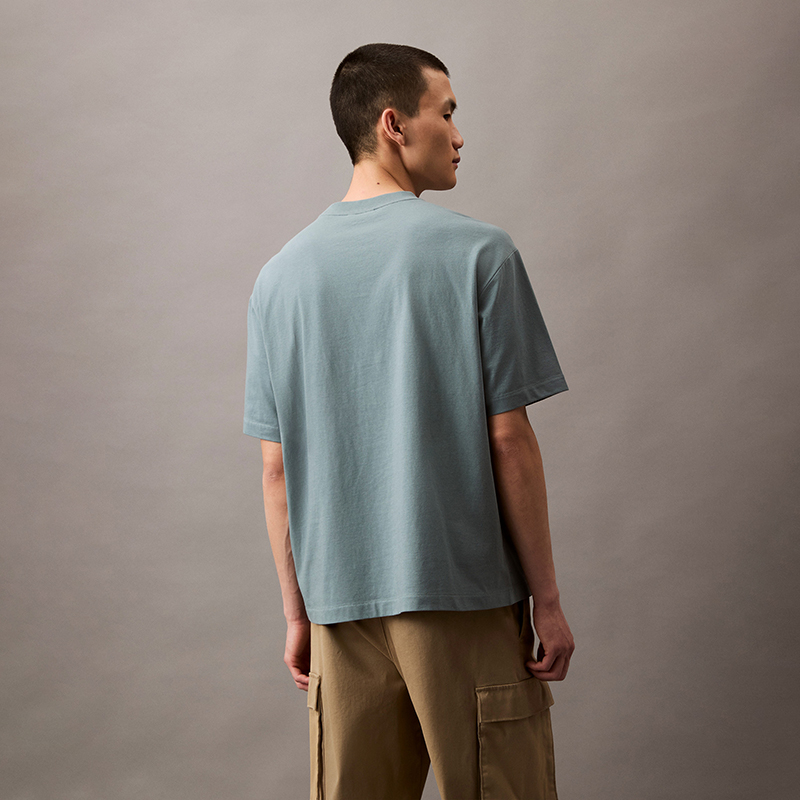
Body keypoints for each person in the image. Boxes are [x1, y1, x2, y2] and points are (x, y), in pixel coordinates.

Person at [244, 43, 574, 800]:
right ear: (394, 124)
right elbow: (509, 439)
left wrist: (297, 614)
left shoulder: (279, 278)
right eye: (446, 113)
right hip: (462, 597)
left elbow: (276, 467)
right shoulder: (480, 254)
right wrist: (548, 602)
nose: (458, 135)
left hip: (339, 611)